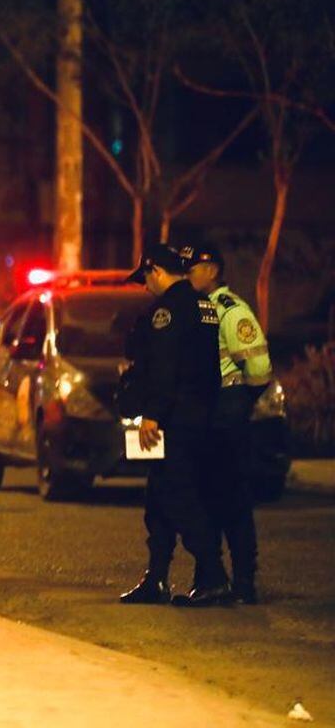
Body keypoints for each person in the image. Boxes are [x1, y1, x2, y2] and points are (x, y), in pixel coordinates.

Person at [118, 243, 230, 607]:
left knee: (178, 497)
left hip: (173, 422)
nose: (145, 286)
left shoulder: (167, 310)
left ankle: (212, 575)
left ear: (156, 271)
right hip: (201, 417)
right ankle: (156, 579)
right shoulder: (204, 306)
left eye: (145, 278)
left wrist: (152, 414)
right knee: (162, 498)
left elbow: (166, 369)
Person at [182, 242, 272, 604]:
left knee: (231, 496)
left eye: (194, 268)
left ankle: (244, 580)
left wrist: (238, 404)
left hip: (227, 407)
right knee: (208, 495)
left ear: (213, 270)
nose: (189, 274)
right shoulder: (198, 309)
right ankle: (212, 578)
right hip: (209, 410)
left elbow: (260, 369)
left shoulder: (230, 310)